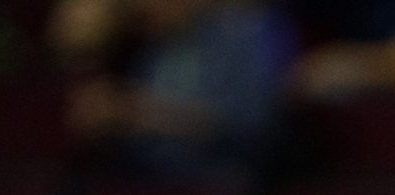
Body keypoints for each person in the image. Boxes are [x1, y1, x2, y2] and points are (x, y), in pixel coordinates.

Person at [66, 0, 289, 181]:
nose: (141, 7)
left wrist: (140, 114)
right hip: (148, 182)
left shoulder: (241, 38)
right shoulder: (151, 49)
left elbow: (251, 124)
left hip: (222, 185)